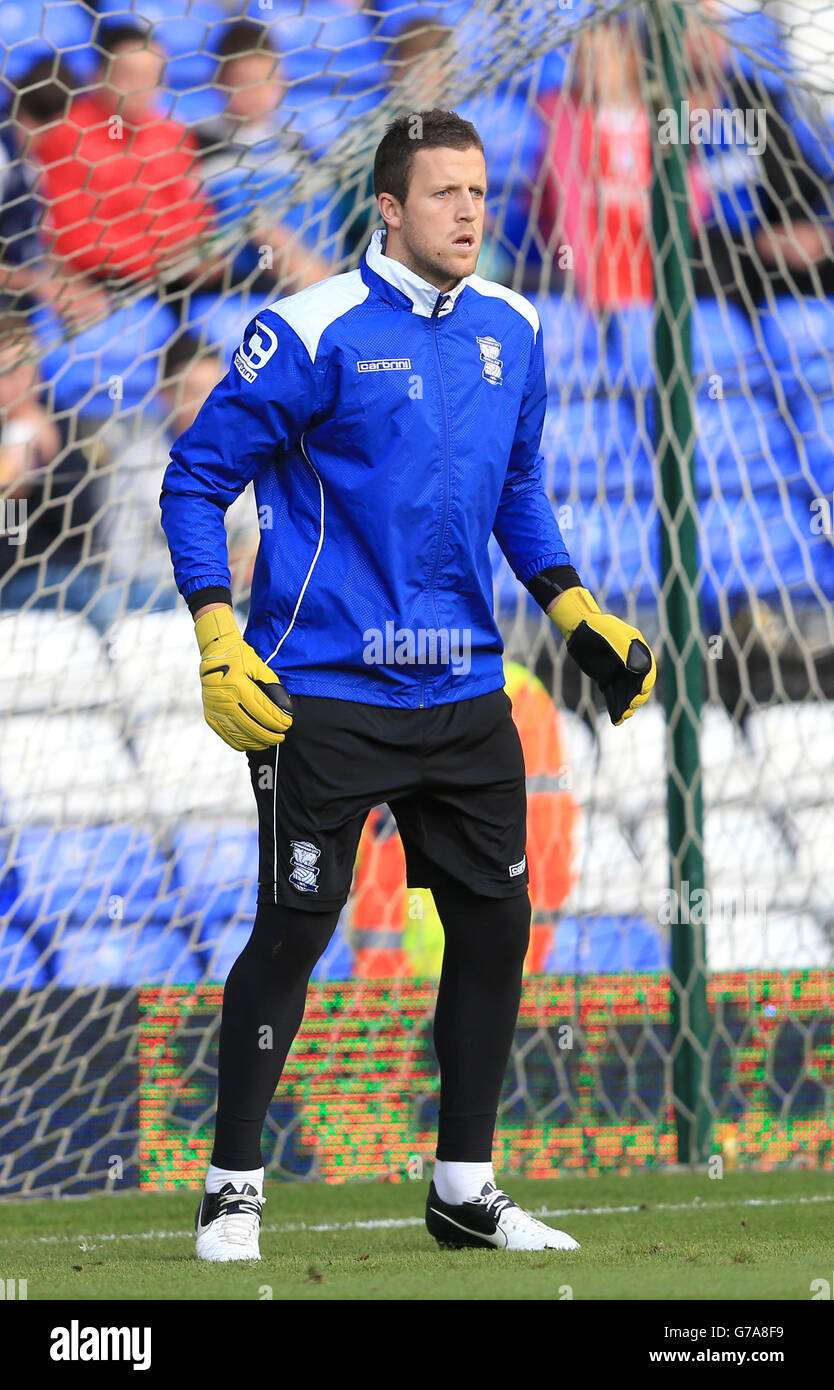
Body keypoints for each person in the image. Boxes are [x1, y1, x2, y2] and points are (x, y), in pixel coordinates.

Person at [160, 107, 656, 1260]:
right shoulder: (310, 328)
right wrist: (216, 636)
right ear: (390, 208)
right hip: (322, 684)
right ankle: (233, 1186)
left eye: (480, 190)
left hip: (466, 683)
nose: (472, 210)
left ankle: (463, 1188)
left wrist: (573, 609)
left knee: (494, 924)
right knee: (293, 929)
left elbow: (517, 488)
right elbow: (194, 482)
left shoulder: (517, 327)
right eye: (446, 193)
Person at [30, 23, 215, 291]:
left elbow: (194, 212)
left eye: (153, 76)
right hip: (101, 282)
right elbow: (66, 234)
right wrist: (157, 255)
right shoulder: (66, 135)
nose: (143, 88)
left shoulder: (173, 133)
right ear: (98, 76)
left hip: (176, 276)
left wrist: (198, 251)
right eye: (130, 76)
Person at [196, 21, 331, 294]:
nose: (258, 93)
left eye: (267, 80)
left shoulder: (300, 149)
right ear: (220, 82)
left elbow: (324, 232)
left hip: (300, 272)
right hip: (228, 283)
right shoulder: (197, 146)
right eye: (245, 82)